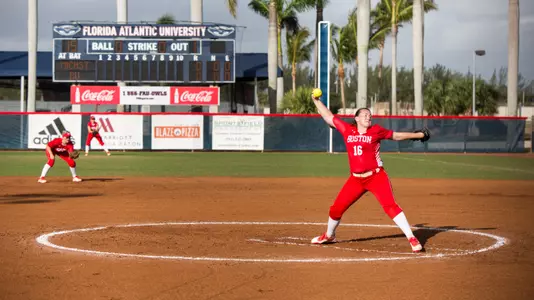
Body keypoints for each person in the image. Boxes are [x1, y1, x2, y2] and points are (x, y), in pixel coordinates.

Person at [310, 92, 430, 253]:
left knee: (390, 206)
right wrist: (315, 101)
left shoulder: (376, 131)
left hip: (376, 177)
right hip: (356, 180)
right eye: (365, 115)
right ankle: (329, 235)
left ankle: (412, 237)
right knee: (336, 208)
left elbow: (396, 136)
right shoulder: (347, 130)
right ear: (357, 118)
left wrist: (419, 135)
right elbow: (328, 116)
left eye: (370, 115)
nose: (368, 117)